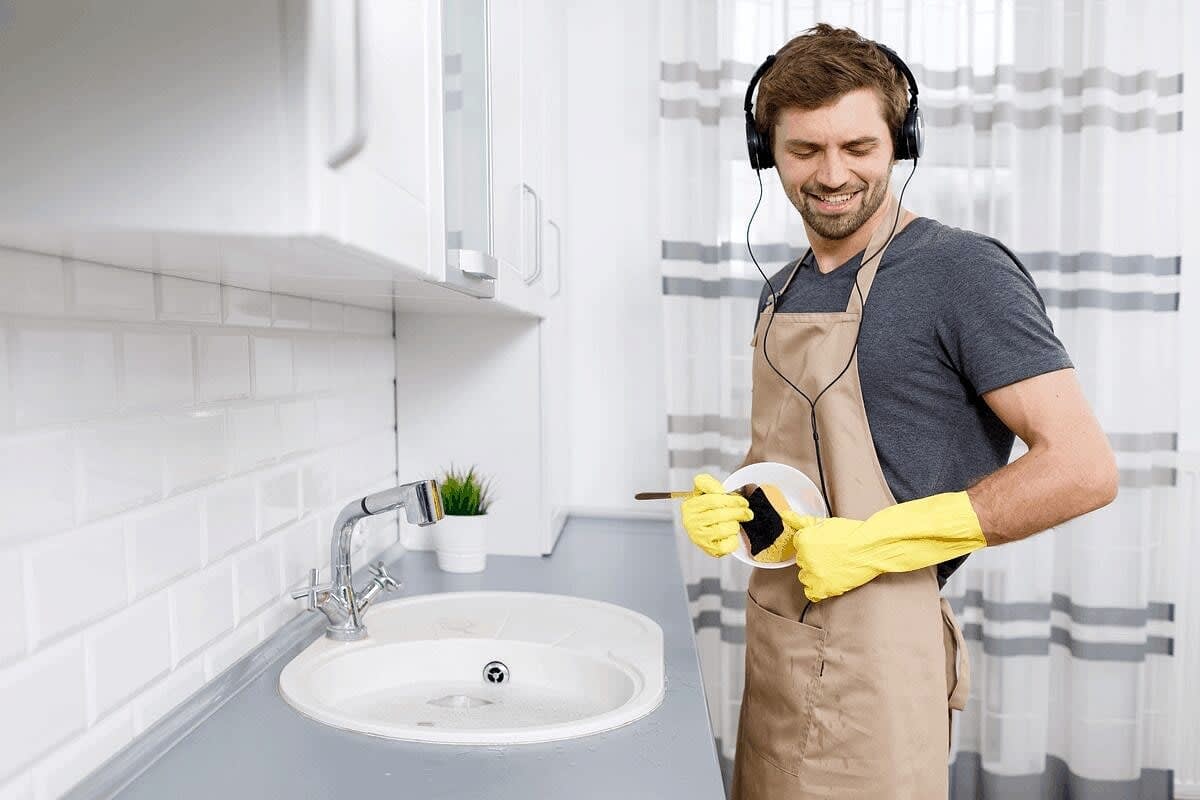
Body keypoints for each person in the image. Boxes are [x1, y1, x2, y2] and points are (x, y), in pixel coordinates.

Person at [679, 24, 1118, 799]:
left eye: (858, 146)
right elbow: (812, 471)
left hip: (878, 667)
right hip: (778, 647)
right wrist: (744, 506)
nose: (832, 174)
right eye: (804, 150)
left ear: (900, 143)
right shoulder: (777, 287)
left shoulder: (960, 271)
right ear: (766, 154)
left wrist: (880, 541)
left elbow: (1082, 470)